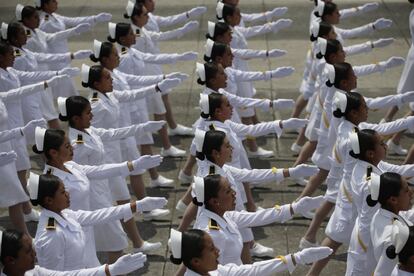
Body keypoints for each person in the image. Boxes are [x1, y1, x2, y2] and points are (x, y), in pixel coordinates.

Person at [32, 127, 165, 265]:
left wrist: (133, 165)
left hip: (84, 228)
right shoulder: (51, 181)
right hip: (70, 236)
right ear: (53, 152)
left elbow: (99, 170)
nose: (72, 147)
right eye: (66, 146)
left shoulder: (71, 166)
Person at [58, 95, 166, 262]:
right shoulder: (76, 144)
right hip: (92, 197)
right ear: (76, 118)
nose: (92, 116)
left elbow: (114, 133)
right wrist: (131, 165)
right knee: (115, 241)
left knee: (106, 244)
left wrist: (142, 127)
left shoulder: (89, 131)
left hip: (102, 190)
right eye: (88, 113)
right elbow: (85, 173)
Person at [90, 39, 184, 188]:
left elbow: (137, 80)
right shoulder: (104, 81)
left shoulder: (115, 74)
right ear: (105, 59)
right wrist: (158, 86)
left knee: (132, 169)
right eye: (115, 54)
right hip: (121, 130)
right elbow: (129, 94)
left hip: (128, 123)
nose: (118, 56)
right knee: (130, 171)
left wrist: (162, 80)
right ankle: (145, 204)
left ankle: (151, 185)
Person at [28, 172, 166, 270]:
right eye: (63, 192)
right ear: (49, 200)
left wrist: (136, 206)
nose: (68, 194)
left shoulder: (66, 215)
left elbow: (99, 215)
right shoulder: (51, 234)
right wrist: (108, 271)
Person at [191, 174, 324, 266]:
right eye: (227, 191)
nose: (234, 193)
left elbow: (259, 217)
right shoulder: (213, 233)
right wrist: (293, 260)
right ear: (214, 201)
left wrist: (294, 208)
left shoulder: (225, 216)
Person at [108, 21, 196, 157]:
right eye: (131, 34)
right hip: (133, 103)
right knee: (138, 142)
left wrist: (178, 57)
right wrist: (159, 82)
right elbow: (130, 82)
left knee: (145, 139)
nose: (134, 36)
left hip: (141, 97)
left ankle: (154, 175)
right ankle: (149, 171)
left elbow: (152, 58)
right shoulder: (124, 58)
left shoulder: (131, 51)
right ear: (122, 39)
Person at [125, 0, 199, 136]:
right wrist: (177, 57)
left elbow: (163, 30)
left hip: (152, 66)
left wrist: (184, 24)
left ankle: (169, 129)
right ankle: (164, 138)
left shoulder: (142, 28)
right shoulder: (136, 33)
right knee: (155, 107)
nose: (153, 2)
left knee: (161, 101)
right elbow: (140, 57)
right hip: (146, 72)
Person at [345, 129, 414, 275]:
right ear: (370, 153)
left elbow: (399, 171)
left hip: (371, 235)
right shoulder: (369, 185)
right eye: (382, 143)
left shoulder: (371, 167)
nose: (386, 146)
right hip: (366, 244)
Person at [0, 77, 62, 235]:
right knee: (13, 195)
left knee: (14, 196)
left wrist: (45, 82)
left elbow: (18, 91)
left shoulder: (2, 96)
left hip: (6, 150)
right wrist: (21, 131)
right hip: (3, 154)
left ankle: (25, 237)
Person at [1, 22, 88, 128]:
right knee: (38, 130)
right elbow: (29, 76)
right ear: (14, 39)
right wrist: (54, 75)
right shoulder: (17, 57)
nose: (26, 35)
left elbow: (45, 57)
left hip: (35, 93)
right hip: (26, 98)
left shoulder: (25, 52)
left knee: (40, 129)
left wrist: (72, 55)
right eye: (22, 33)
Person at [169, 228, 333, 276]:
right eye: (212, 249)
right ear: (196, 261)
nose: (218, 251)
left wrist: (296, 257)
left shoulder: (215, 271)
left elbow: (252, 269)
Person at [0, 228, 147, 276]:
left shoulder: (34, 272)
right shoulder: (51, 229)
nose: (34, 254)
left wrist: (111, 269)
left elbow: (70, 275)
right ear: (10, 260)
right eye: (28, 252)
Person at [369, 172, 414, 276]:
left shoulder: (382, 214)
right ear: (393, 199)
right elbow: (381, 273)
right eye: (406, 191)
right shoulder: (393, 237)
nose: (411, 192)